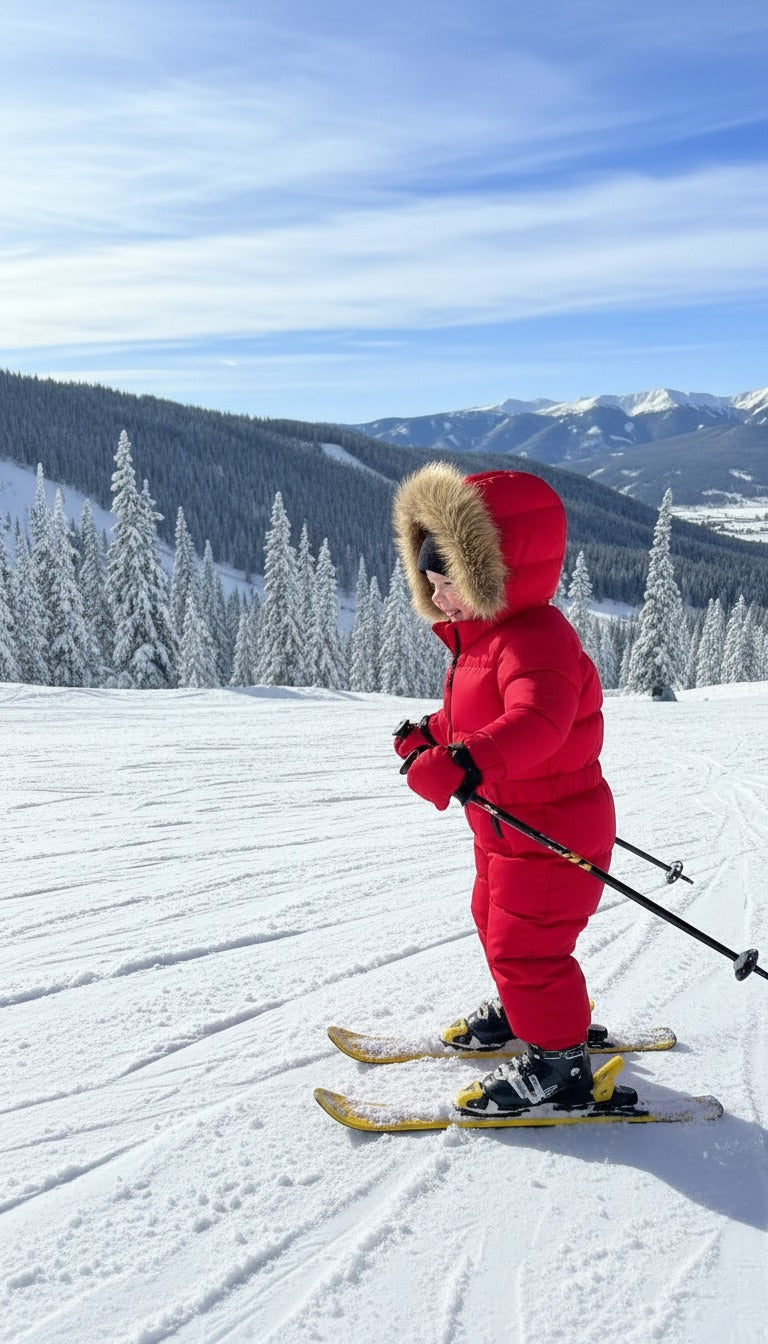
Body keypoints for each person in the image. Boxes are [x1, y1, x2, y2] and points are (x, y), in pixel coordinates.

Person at [392, 462, 616, 1114]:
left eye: (451, 584)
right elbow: (474, 718)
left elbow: (537, 723)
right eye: (431, 583)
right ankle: (530, 1015)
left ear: (499, 572)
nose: (440, 599)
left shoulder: (538, 640)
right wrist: (430, 735)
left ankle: (558, 1067)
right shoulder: (486, 642)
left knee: (528, 946)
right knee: (495, 926)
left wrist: (461, 762)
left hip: (552, 826)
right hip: (504, 825)